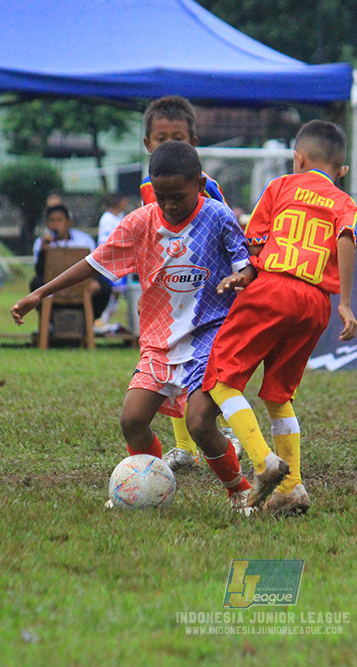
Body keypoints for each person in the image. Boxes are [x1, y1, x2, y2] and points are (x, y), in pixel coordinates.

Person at [10, 141, 255, 510]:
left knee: (201, 424)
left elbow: (246, 264)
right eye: (161, 195)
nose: (170, 204)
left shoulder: (218, 217)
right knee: (132, 420)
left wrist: (242, 278)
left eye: (179, 196)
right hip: (160, 341)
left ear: (199, 183)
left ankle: (239, 490)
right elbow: (95, 262)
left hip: (210, 338)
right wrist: (38, 294)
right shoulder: (141, 222)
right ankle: (149, 482)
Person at [198, 120, 357, 517]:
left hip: (272, 289)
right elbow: (347, 237)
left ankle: (262, 462)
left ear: (299, 158)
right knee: (277, 394)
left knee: (221, 381)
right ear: (341, 170)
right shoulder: (345, 203)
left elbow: (255, 243)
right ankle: (291, 488)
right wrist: (345, 303)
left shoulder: (280, 187)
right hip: (317, 303)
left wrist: (244, 275)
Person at [139, 94, 240, 472]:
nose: (169, 146)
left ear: (193, 144)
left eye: (177, 138)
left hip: (206, 294)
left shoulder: (205, 187)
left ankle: (225, 432)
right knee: (170, 367)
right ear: (148, 144)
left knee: (202, 371)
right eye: (161, 139)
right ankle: (184, 448)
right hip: (172, 293)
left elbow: (225, 231)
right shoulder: (151, 187)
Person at [30, 203, 111, 324]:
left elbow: (95, 266)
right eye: (51, 221)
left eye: (59, 220)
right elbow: (40, 271)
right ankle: (51, 322)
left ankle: (87, 322)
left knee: (104, 287)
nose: (55, 225)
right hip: (53, 288)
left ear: (68, 221)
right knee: (35, 284)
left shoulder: (84, 240)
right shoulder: (41, 243)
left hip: (81, 288)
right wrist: (43, 252)